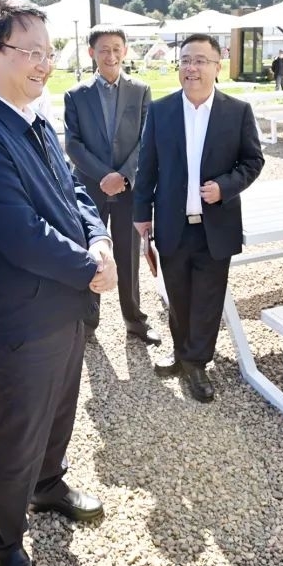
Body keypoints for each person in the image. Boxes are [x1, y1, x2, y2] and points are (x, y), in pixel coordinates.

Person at [0, 0, 116, 566]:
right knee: (20, 430)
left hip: (65, 302)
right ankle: (4, 539)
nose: (44, 64)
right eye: (31, 52)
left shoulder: (33, 117)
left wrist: (99, 240)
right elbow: (20, 234)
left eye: (49, 52)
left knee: (61, 408)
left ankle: (50, 484)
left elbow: (76, 190)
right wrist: (92, 268)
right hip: (22, 314)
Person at [134, 34, 265, 403]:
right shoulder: (161, 111)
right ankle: (183, 354)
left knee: (207, 299)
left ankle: (196, 363)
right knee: (178, 296)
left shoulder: (236, 111)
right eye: (186, 60)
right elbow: (148, 167)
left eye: (200, 61)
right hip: (173, 223)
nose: (191, 68)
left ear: (216, 66)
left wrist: (225, 186)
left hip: (216, 225)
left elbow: (253, 161)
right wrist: (142, 215)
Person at [64, 24, 158, 346]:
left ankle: (135, 320)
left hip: (130, 188)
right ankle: (88, 323)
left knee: (130, 254)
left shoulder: (140, 90)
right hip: (90, 189)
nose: (111, 55)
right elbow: (73, 145)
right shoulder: (76, 95)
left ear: (125, 51)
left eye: (117, 48)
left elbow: (148, 137)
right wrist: (104, 175)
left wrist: (124, 175)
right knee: (92, 254)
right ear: (92, 52)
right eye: (104, 49)